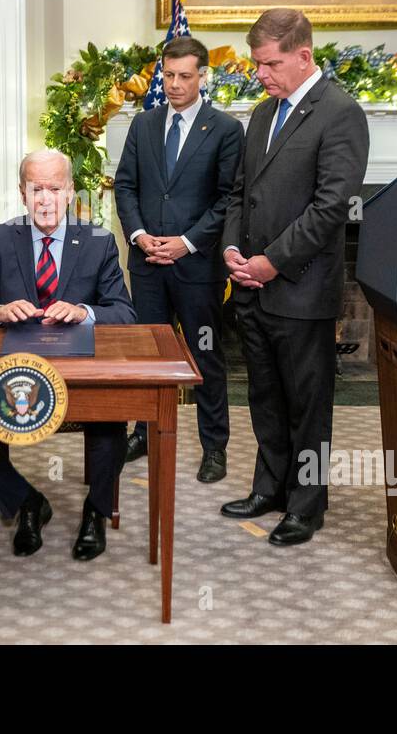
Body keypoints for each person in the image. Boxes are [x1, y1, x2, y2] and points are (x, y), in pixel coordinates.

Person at [0, 150, 136, 561]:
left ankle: (95, 513)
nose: (45, 200)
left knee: (112, 424)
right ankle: (27, 502)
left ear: (70, 192)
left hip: (79, 372)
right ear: (22, 193)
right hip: (15, 374)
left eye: (54, 189)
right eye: (36, 190)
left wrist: (85, 312)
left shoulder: (99, 242)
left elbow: (125, 312)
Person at [220, 9, 368, 545]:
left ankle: (306, 505)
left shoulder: (341, 112)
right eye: (257, 63)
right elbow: (240, 193)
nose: (260, 73)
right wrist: (233, 249)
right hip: (251, 286)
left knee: (307, 405)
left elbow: (331, 207)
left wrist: (273, 262)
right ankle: (271, 487)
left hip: (300, 288)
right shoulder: (262, 114)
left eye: (270, 63)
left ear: (303, 55)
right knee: (265, 394)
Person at [114, 35, 243, 483]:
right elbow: (126, 187)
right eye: (167, 75)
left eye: (184, 76)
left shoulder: (226, 129)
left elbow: (228, 199)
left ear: (203, 77)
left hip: (196, 266)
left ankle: (214, 447)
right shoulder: (143, 124)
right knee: (146, 355)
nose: (173, 85)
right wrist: (139, 234)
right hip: (147, 263)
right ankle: (142, 432)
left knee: (205, 355)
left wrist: (186, 242)